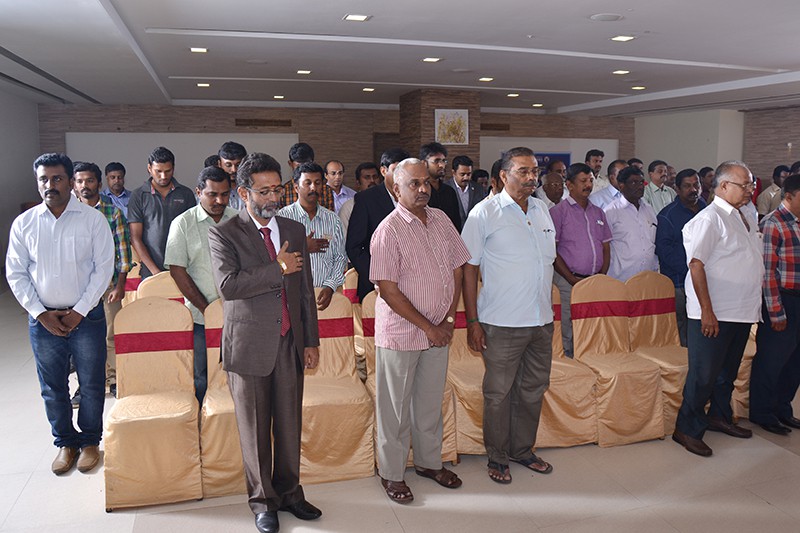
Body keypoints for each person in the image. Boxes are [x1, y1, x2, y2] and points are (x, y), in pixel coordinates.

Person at [208, 152, 321, 533]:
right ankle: (263, 502)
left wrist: (310, 340)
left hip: (290, 341)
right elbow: (228, 286)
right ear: (243, 193)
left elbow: (304, 290)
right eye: (265, 191)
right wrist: (278, 268)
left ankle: (290, 493)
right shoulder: (224, 233)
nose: (274, 198)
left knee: (289, 425)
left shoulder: (292, 230)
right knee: (255, 430)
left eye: (278, 189)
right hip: (249, 345)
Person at [370, 158, 471, 504]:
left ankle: (429, 463)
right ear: (396, 189)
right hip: (401, 334)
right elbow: (388, 289)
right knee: (395, 410)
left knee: (429, 403)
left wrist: (447, 321)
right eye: (414, 183)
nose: (423, 188)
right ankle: (392, 473)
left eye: (426, 182)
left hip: (439, 332)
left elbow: (457, 269)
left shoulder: (441, 219)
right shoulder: (388, 230)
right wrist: (430, 327)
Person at [6, 153, 114, 476]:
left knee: (91, 383)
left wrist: (79, 311)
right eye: (43, 179)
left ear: (70, 182)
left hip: (87, 318)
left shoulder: (93, 220)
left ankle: (90, 441)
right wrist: (40, 313)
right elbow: (16, 273)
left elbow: (103, 269)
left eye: (56, 178)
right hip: (43, 320)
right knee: (52, 385)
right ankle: (65, 443)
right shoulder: (25, 224)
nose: (49, 185)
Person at [461, 146, 556, 484]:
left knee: (533, 389)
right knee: (498, 394)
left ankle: (522, 450)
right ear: (503, 175)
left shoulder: (542, 210)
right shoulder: (484, 213)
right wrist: (473, 321)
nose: (532, 178)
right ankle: (498, 456)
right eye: (523, 171)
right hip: (501, 323)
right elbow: (468, 269)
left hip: (541, 321)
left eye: (534, 171)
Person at [673, 161, 763, 457]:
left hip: (741, 310)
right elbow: (696, 265)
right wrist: (707, 312)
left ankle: (719, 417)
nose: (750, 190)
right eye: (744, 185)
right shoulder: (709, 219)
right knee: (703, 375)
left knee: (727, 373)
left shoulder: (743, 214)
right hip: (715, 312)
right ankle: (686, 429)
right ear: (723, 186)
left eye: (751, 184)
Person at [164, 166, 238, 404]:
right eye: (212, 194)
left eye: (225, 194)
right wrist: (207, 309)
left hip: (238, 315)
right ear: (198, 192)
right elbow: (177, 270)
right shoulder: (183, 224)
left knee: (238, 373)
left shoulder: (239, 221)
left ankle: (233, 421)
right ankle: (203, 421)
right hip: (199, 317)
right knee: (201, 376)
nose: (219, 201)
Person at [74, 161, 132, 399]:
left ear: (99, 184)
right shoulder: (68, 214)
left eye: (89, 180)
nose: (84, 185)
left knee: (111, 333)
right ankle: (86, 383)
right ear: (73, 184)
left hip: (108, 286)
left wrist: (120, 285)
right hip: (77, 289)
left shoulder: (112, 212)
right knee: (81, 338)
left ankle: (114, 378)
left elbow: (123, 251)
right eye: (79, 181)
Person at [750, 174, 800, 435]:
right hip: (782, 300)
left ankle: (783, 408)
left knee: (795, 362)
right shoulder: (773, 223)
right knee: (772, 361)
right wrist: (776, 312)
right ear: (788, 196)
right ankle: (762, 412)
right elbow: (767, 273)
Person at [550, 163, 612, 357]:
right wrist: (571, 278)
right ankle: (569, 364)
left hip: (594, 281)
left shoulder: (598, 212)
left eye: (591, 180)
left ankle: (589, 362)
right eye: (583, 181)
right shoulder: (558, 212)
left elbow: (605, 247)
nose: (588, 185)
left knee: (591, 324)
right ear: (569, 185)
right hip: (567, 281)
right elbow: (552, 251)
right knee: (567, 325)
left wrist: (601, 276)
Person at [278, 162, 347, 311]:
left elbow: (340, 258)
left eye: (317, 183)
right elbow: (276, 256)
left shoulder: (333, 220)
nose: (313, 188)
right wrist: (303, 247)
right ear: (296, 187)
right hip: (293, 296)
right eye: (307, 183)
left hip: (327, 295)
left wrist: (330, 286)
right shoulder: (282, 218)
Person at [346, 148, 409, 302]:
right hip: (375, 285)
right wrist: (376, 277)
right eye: (396, 170)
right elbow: (354, 247)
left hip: (410, 282)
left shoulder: (413, 197)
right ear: (383, 171)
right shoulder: (366, 199)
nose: (401, 176)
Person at [127, 146, 196, 278]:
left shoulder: (186, 194)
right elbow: (135, 237)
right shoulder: (138, 196)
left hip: (183, 270)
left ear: (173, 168)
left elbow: (192, 235)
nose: (163, 176)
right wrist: (156, 273)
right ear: (149, 168)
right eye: (158, 171)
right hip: (151, 271)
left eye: (168, 171)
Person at [655, 169, 706, 347]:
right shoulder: (667, 215)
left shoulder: (707, 210)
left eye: (696, 185)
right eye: (687, 186)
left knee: (702, 323)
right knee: (682, 325)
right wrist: (691, 270)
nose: (693, 190)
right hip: (679, 281)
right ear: (677, 189)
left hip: (706, 279)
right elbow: (664, 250)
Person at [604, 166, 659, 281]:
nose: (640, 186)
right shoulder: (610, 212)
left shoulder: (649, 210)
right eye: (634, 182)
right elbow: (604, 247)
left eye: (641, 182)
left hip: (648, 277)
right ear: (621, 186)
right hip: (621, 278)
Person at [420, 142, 462, 231]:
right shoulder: (420, 192)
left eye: (443, 161)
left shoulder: (449, 191)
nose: (442, 165)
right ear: (424, 163)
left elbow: (456, 224)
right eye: (436, 161)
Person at [281, 142, 334, 210]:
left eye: (307, 165)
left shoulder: (325, 190)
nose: (303, 169)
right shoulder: (284, 191)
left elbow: (330, 214)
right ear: (290, 164)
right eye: (299, 166)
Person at [444, 155, 486, 227]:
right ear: (454, 173)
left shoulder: (478, 189)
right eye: (462, 174)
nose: (466, 178)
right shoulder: (446, 189)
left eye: (469, 174)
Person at [218, 141, 247, 210]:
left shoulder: (251, 188)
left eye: (238, 165)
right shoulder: (212, 189)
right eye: (228, 165)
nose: (234, 170)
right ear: (220, 164)